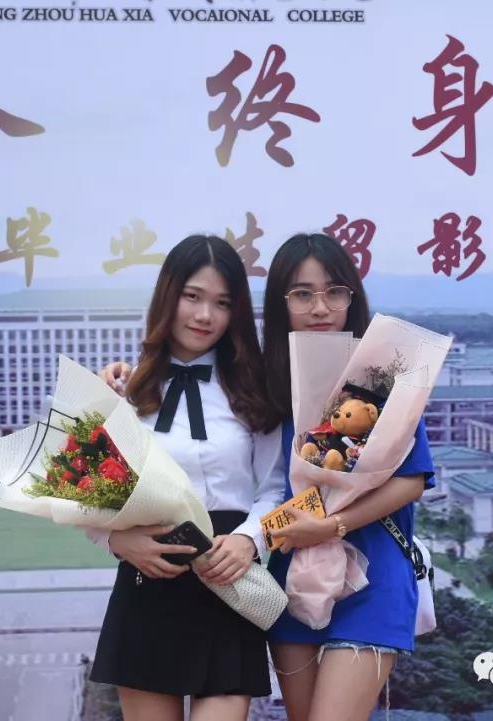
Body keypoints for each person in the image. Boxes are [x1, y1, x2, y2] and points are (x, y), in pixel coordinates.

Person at [100, 233, 435, 721]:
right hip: (287, 578)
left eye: (334, 291)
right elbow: (99, 487)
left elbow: (410, 480)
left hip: (362, 574)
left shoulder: (379, 375)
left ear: (352, 296)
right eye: (302, 293)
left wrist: (316, 528)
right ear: (280, 304)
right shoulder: (271, 380)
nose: (319, 307)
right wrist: (113, 536)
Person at [88, 234, 284, 721]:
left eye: (222, 303)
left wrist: (250, 540)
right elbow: (85, 492)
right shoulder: (121, 389)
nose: (205, 315)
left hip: (228, 578)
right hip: (149, 583)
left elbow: (276, 487)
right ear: (168, 296)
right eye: (192, 297)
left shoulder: (255, 389)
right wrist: (116, 541)